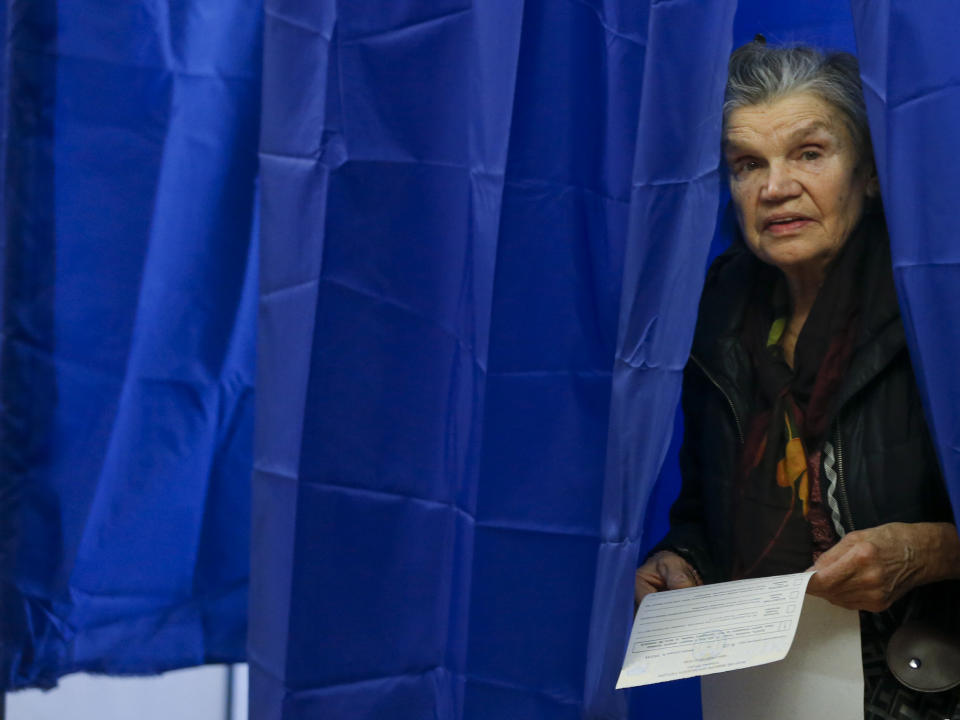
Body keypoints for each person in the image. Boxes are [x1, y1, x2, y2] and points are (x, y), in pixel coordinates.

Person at [635, 41, 960, 718]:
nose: (775, 187)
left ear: (869, 172)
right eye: (747, 164)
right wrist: (682, 560)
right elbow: (703, 503)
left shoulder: (935, 305)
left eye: (809, 153)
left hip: (927, 691)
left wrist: (931, 551)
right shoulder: (716, 315)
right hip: (768, 689)